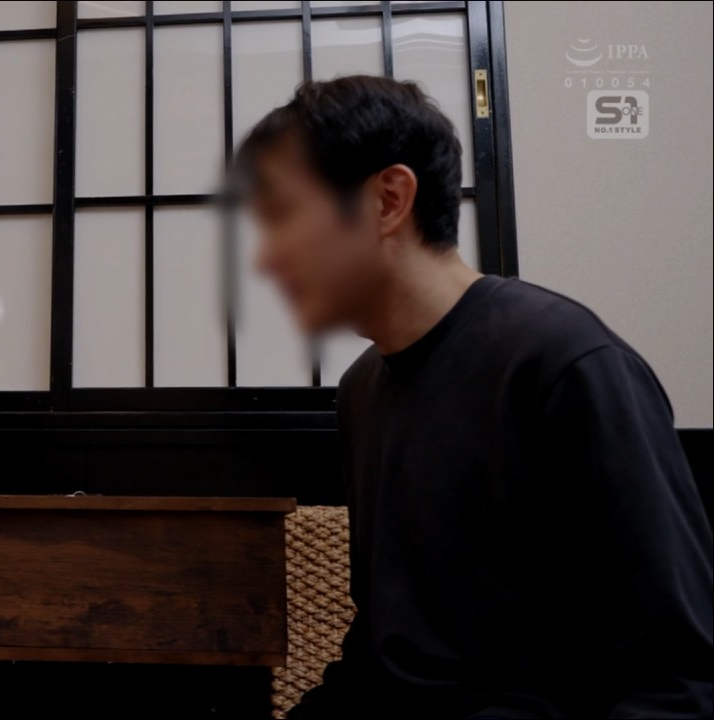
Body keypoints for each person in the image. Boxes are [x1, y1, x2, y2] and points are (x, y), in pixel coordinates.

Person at [236, 75, 713, 718]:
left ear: (388, 200)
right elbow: (384, 658)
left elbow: (679, 676)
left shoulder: (565, 362)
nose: (265, 259)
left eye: (284, 216)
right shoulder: (362, 391)